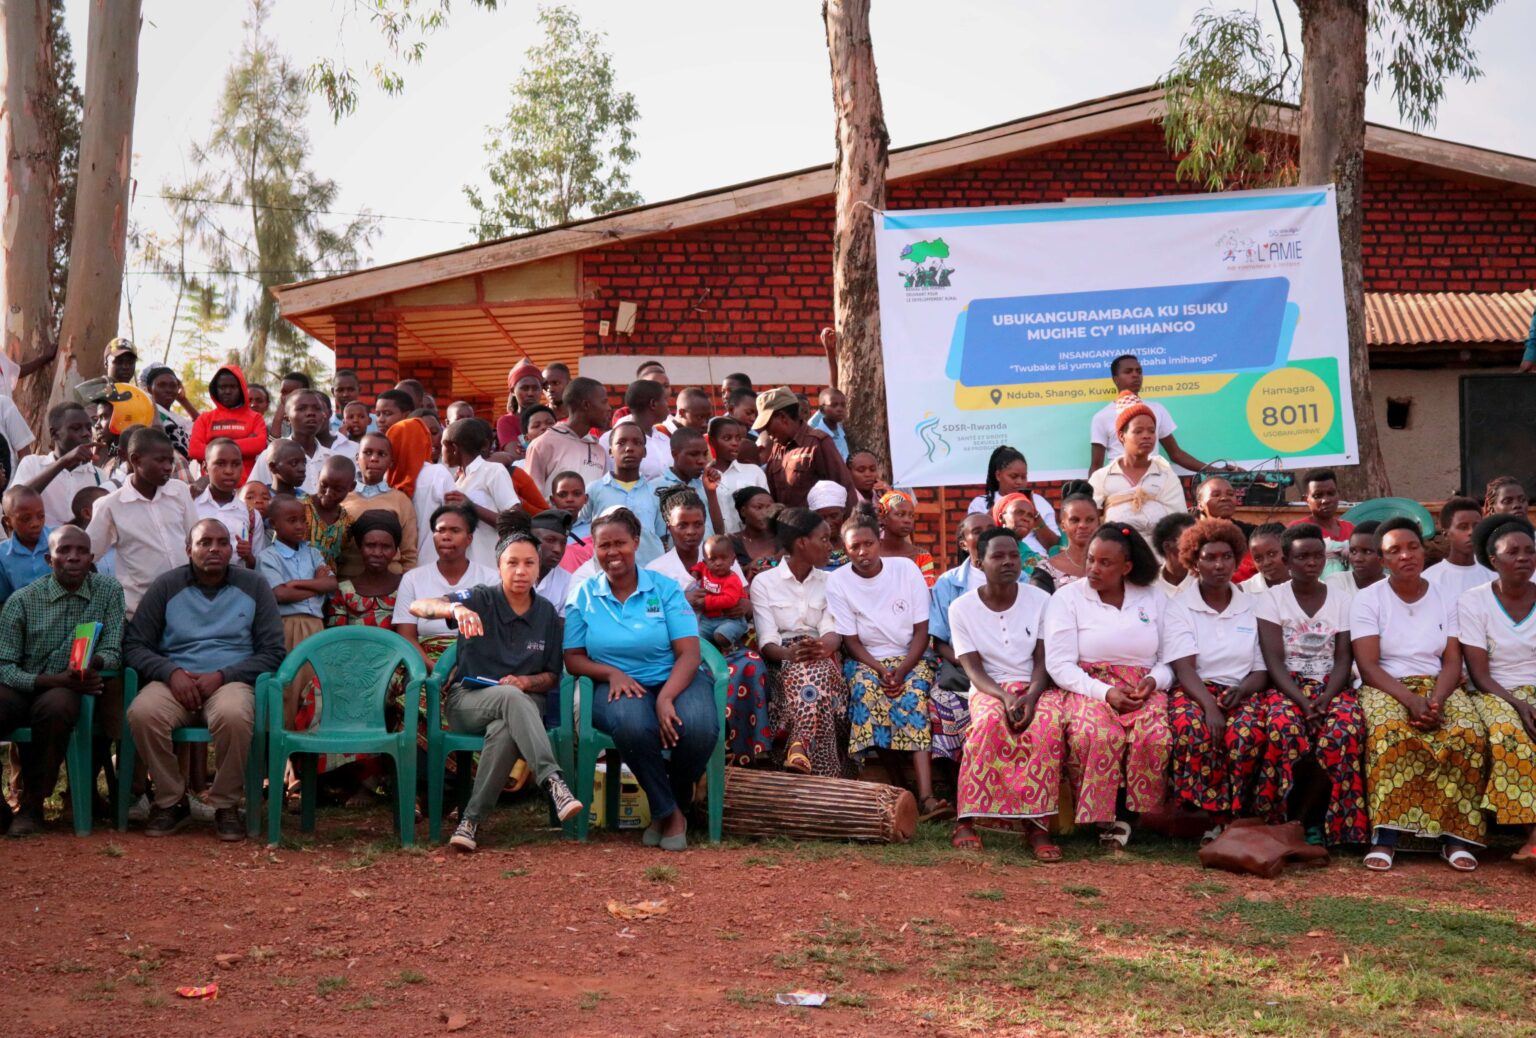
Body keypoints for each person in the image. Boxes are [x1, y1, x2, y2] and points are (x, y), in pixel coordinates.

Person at [408, 527, 581, 852]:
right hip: (468, 702)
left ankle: (470, 822)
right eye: (512, 563)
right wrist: (455, 609)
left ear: (538, 568)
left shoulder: (546, 613)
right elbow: (418, 606)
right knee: (510, 699)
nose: (521, 571)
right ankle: (553, 781)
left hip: (524, 705)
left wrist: (526, 682)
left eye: (529, 563)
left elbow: (551, 676)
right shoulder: (480, 598)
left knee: (504, 727)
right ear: (499, 566)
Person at [565, 507, 718, 851]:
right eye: (604, 545)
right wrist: (611, 673)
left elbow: (689, 653)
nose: (612, 552)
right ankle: (671, 812)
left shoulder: (664, 589)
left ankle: (671, 802)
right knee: (634, 725)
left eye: (620, 543)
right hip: (615, 685)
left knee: (699, 726)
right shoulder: (583, 595)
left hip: (674, 677)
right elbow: (572, 658)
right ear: (594, 549)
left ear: (636, 542)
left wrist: (665, 697)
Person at [124, 519, 285, 839]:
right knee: (142, 713)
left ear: (231, 549)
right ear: (189, 550)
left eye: (222, 542)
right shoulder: (166, 585)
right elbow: (134, 645)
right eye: (204, 542)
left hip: (230, 681)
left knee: (234, 715)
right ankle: (171, 800)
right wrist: (171, 673)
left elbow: (273, 651)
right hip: (175, 681)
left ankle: (225, 804)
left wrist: (223, 676)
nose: (214, 549)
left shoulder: (254, 585)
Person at [1353, 516, 1487, 871]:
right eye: (1394, 550)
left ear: (1423, 551)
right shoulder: (1368, 600)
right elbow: (1368, 666)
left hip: (1439, 683)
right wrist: (1411, 701)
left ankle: (1455, 838)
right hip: (1387, 684)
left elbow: (1452, 660)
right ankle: (1386, 837)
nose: (1406, 555)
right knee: (1390, 734)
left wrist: (1436, 702)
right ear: (1382, 559)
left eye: (1412, 547)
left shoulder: (1446, 597)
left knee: (1467, 735)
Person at [1042, 523, 1172, 847]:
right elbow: (1059, 664)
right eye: (1090, 559)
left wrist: (1152, 681)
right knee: (1096, 734)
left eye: (1105, 562)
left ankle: (1132, 815)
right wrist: (1105, 693)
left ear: (1126, 567)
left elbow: (1171, 658)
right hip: (1088, 686)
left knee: (1153, 736)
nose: (1093, 568)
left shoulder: (1153, 597)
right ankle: (1103, 817)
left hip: (1143, 687)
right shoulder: (1067, 598)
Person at [0, 527, 125, 836]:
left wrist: (94, 664)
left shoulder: (108, 590)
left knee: (56, 708)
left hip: (71, 687)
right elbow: (4, 667)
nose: (73, 557)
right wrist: (48, 680)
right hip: (23, 683)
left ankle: (33, 805)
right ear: (48, 559)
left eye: (81, 551)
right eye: (64, 551)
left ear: (91, 558)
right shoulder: (22, 601)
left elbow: (113, 649)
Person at [947, 528, 1059, 857]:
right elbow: (973, 669)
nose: (1009, 561)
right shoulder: (961, 608)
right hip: (990, 688)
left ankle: (1037, 827)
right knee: (987, 725)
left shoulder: (1041, 600)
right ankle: (966, 820)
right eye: (998, 556)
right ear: (979, 562)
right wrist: (1006, 698)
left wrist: (1031, 696)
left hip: (1036, 686)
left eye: (1013, 555)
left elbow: (1043, 660)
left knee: (1046, 728)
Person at [828, 514, 948, 820]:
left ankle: (927, 797)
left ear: (879, 542)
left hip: (912, 656)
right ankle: (899, 787)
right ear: (845, 549)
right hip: (867, 659)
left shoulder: (906, 569)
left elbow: (922, 631)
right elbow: (851, 640)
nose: (863, 552)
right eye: (855, 547)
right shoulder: (838, 581)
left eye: (869, 544)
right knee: (867, 694)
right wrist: (881, 671)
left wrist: (903, 670)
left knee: (915, 696)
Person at [1255, 523, 1368, 845]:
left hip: (1332, 686)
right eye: (1302, 557)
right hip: (1287, 686)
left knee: (1343, 732)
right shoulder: (1272, 599)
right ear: (1286, 561)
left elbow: (1343, 658)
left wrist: (1325, 699)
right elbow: (1274, 660)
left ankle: (1319, 821)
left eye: (1318, 556)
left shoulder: (1342, 600)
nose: (1312, 562)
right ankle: (1283, 818)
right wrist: (1304, 703)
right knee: (1284, 729)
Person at [1162, 519, 1270, 828]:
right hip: (1194, 690)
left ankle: (1236, 812)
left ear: (1236, 560)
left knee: (1246, 734)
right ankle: (1199, 815)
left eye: (1226, 557)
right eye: (1209, 557)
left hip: (1241, 689)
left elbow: (1260, 669)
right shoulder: (1180, 607)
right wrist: (1210, 707)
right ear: (1195, 562)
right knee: (1193, 730)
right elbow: (1184, 668)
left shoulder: (1253, 606)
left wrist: (1242, 691)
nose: (1219, 565)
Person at [648, 488, 767, 766]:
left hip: (724, 645)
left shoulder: (722, 559)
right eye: (682, 525)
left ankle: (744, 754)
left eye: (698, 524)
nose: (691, 532)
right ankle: (704, 756)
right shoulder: (656, 570)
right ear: (669, 526)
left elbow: (745, 601)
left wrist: (744, 606)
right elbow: (650, 617)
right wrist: (683, 601)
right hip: (678, 654)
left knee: (751, 663)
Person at [1459, 513, 1536, 862]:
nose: (1524, 558)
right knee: (1510, 735)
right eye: (1513, 552)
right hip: (1495, 691)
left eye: (1530, 551)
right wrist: (1520, 705)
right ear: (1494, 560)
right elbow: (1480, 674)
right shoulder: (1474, 601)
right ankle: (1531, 834)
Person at [750, 507, 848, 776]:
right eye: (824, 539)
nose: (830, 546)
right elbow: (767, 639)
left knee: (816, 668)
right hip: (782, 662)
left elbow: (832, 629)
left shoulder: (831, 581)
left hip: (824, 654)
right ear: (803, 542)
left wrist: (823, 647)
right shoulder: (764, 583)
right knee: (811, 673)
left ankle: (799, 744)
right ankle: (818, 766)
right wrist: (789, 654)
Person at [86, 428, 199, 617]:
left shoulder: (179, 491)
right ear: (136, 460)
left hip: (186, 601)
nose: (168, 467)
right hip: (140, 610)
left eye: (170, 461)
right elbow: (89, 555)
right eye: (160, 460)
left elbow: (194, 540)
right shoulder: (111, 505)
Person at [393, 504, 498, 669]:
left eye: (455, 531)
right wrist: (434, 670)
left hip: (476, 663)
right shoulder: (412, 579)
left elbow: (496, 636)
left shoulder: (491, 579)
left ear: (469, 538)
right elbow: (406, 636)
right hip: (424, 665)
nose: (446, 536)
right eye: (440, 530)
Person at [1087, 393, 1187, 542]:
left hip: (1157, 555)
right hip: (1115, 554)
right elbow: (1090, 522)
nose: (1147, 436)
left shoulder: (1166, 476)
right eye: (1138, 431)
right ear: (1122, 436)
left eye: (1151, 431)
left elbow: (1180, 525)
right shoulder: (1101, 478)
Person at [1088, 354, 1211, 473]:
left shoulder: (1157, 409)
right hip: (1118, 481)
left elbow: (1176, 454)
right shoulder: (1102, 417)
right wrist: (1090, 487)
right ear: (1116, 379)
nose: (1135, 375)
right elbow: (1096, 466)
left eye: (1139, 371)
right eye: (1128, 371)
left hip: (1152, 479)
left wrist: (1213, 470)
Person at [580, 419, 667, 567]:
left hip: (650, 570)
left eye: (637, 443)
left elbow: (661, 535)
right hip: (609, 570)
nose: (629, 448)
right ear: (610, 451)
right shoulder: (595, 489)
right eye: (621, 443)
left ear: (645, 452)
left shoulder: (656, 492)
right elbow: (578, 527)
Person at [756, 386, 858, 510]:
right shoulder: (777, 448)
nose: (766, 432)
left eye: (767, 425)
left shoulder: (818, 443)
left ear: (783, 418)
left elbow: (845, 489)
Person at [15, 403, 113, 529]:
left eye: (89, 428)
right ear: (54, 434)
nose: (86, 434)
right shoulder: (33, 464)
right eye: (76, 428)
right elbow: (16, 501)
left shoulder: (98, 475)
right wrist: (64, 462)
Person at [440, 418, 519, 570]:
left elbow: (514, 522)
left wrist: (471, 506)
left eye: (443, 445)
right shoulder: (456, 480)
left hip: (491, 567)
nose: (440, 450)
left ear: (454, 448)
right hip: (464, 570)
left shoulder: (492, 471)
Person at [338, 432, 418, 577]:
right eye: (367, 453)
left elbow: (409, 554)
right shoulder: (342, 498)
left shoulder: (401, 500)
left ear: (390, 462)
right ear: (357, 458)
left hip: (391, 582)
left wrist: (406, 585)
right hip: (347, 580)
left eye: (381, 454)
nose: (374, 458)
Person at [929, 514, 993, 686]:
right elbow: (939, 642)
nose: (986, 535)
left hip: (1012, 667)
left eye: (991, 529)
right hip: (963, 668)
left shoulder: (1020, 579)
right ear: (963, 544)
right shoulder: (947, 582)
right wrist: (969, 665)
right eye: (977, 531)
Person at [523, 376, 611, 493]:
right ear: (586, 405)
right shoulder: (542, 444)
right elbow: (531, 495)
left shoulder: (599, 450)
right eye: (604, 402)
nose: (609, 408)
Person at [966, 446, 1059, 555]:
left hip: (1038, 560)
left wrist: (1035, 514)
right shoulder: (981, 503)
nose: (1019, 482)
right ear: (998, 475)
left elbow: (1054, 546)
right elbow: (976, 541)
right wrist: (1000, 505)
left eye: (1023, 477)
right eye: (1013, 476)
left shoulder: (1040, 502)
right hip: (999, 559)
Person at [249, 390, 338, 495]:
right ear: (286, 416)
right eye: (301, 408)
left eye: (317, 408)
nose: (310, 413)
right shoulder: (271, 455)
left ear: (324, 416)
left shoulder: (333, 459)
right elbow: (251, 495)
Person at [188, 365, 268, 480]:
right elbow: (194, 450)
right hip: (211, 484)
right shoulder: (204, 418)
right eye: (222, 387)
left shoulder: (255, 417)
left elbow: (258, 445)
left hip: (246, 484)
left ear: (241, 388)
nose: (227, 391)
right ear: (216, 389)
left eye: (233, 387)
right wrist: (245, 443)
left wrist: (213, 444)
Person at [195, 438, 264, 569]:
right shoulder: (192, 506)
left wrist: (248, 556)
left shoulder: (251, 515)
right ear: (205, 467)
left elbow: (259, 566)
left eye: (236, 464)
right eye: (220, 464)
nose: (229, 471)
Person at [656, 427, 725, 535]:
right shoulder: (656, 488)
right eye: (693, 454)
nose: (702, 461)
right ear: (675, 454)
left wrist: (711, 493)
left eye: (705, 454)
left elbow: (719, 531)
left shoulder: (704, 485)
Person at [598, 379, 671, 481]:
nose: (668, 405)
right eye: (665, 400)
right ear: (653, 404)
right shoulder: (610, 440)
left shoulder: (664, 439)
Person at [1425, 497, 1494, 600]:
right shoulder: (1430, 579)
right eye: (1463, 527)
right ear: (1445, 534)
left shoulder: (1494, 575)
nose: (1471, 532)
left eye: (1476, 526)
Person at [708, 416, 767, 535]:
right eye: (727, 438)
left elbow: (767, 509)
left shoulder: (754, 472)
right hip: (714, 542)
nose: (734, 443)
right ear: (712, 441)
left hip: (749, 542)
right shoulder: (702, 477)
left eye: (738, 438)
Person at [1031, 491, 1099, 594]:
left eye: (1090, 520)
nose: (1083, 525)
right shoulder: (1047, 570)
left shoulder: (1113, 565)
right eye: (1075, 520)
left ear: (1098, 523)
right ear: (1063, 526)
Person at [693, 534, 749, 652]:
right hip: (707, 619)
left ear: (733, 560)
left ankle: (731, 650)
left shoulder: (733, 579)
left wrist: (706, 602)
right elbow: (700, 566)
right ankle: (710, 656)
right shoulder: (705, 569)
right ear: (706, 562)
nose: (718, 563)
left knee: (721, 636)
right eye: (712, 559)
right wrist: (695, 571)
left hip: (730, 619)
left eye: (723, 558)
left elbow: (729, 600)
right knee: (696, 639)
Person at [1292, 470, 1353, 576]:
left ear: (1338, 494)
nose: (1326, 500)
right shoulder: (1296, 530)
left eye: (1331, 493)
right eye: (1318, 496)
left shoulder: (1351, 529)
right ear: (1306, 500)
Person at [0, 487, 51, 604]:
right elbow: (4, 599)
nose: (35, 523)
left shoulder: (59, 540)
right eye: (26, 519)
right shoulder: (2, 555)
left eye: (41, 516)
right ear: (8, 521)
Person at [304, 456, 358, 569]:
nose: (328, 493)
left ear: (351, 487)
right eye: (323, 485)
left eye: (338, 490)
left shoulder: (347, 523)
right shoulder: (300, 508)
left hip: (328, 578)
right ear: (319, 476)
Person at [876, 489, 937, 586]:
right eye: (900, 514)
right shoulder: (870, 553)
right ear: (883, 518)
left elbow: (927, 591)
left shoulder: (922, 556)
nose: (907, 520)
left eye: (911, 515)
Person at [139, 364, 197, 459]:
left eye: (173, 386)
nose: (168, 390)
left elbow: (202, 427)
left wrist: (183, 400)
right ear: (149, 389)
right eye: (162, 385)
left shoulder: (176, 418)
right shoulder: (149, 415)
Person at [1324, 519, 1384, 605]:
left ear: (1384, 553)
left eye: (1367, 552)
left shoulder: (1394, 587)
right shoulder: (1337, 582)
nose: (1357, 559)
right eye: (1353, 551)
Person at [529, 509, 574, 615]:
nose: (558, 549)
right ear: (531, 540)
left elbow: (563, 623)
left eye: (563, 543)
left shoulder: (569, 582)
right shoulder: (508, 574)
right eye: (550, 540)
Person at [730, 485, 780, 582]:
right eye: (759, 507)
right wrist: (747, 568)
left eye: (769, 507)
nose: (765, 513)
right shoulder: (731, 542)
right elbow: (724, 574)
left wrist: (763, 563)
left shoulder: (783, 539)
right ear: (743, 511)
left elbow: (784, 563)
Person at [548, 472, 593, 574]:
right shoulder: (543, 530)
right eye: (562, 495)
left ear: (585, 499)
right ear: (552, 500)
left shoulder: (592, 531)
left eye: (576, 494)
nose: (570, 499)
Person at [496, 359, 545, 451]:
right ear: (512, 391)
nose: (530, 393)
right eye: (524, 388)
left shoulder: (549, 418)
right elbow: (515, 454)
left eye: (535, 388)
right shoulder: (507, 421)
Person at [1152, 512, 1197, 597]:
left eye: (1198, 539)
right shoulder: (1150, 586)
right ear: (1167, 546)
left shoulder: (1205, 581)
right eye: (1189, 541)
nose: (1196, 546)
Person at [1239, 522, 1288, 594]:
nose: (1266, 563)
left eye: (1272, 554)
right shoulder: (1243, 592)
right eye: (1258, 558)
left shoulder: (1304, 582)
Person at [807, 387, 850, 459]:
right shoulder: (817, 436)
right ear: (822, 410)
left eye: (843, 405)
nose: (840, 409)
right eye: (834, 405)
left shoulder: (842, 433)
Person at [726, 388, 762, 466]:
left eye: (756, 415)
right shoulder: (712, 438)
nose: (753, 419)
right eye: (748, 413)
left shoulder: (755, 441)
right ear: (731, 409)